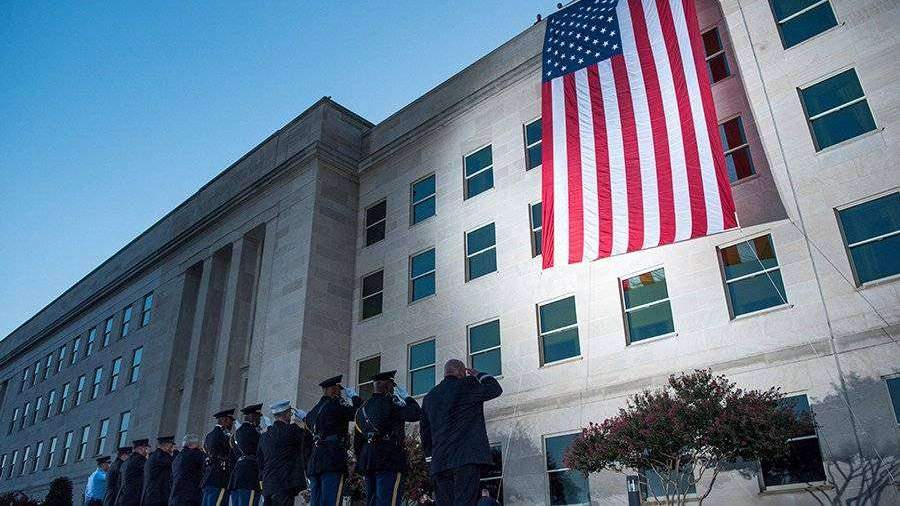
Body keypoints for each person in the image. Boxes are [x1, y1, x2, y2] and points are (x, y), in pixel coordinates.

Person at [420, 360, 502, 506]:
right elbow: (495, 389)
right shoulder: (468, 384)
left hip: (439, 463)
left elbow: (425, 434)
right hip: (465, 459)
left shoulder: (429, 397)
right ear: (461, 372)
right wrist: (479, 375)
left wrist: (430, 460)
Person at [353, 370, 422, 506]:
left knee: (372, 501)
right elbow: (416, 414)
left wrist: (363, 460)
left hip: (368, 461)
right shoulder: (391, 403)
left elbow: (357, 442)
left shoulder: (361, 410)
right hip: (389, 459)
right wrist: (408, 398)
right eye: (392, 385)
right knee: (388, 501)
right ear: (388, 385)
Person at [304, 374, 362, 506]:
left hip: (314, 462)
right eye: (339, 390)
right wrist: (354, 397)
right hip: (332, 458)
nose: (340, 393)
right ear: (334, 389)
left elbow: (305, 443)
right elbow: (359, 414)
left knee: (316, 503)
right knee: (332, 501)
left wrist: (307, 465)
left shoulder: (312, 412)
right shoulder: (337, 404)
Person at [258, 400, 311, 505]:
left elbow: (260, 461)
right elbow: (309, 439)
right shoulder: (292, 430)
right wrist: (306, 419)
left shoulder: (264, 436)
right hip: (285, 484)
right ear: (286, 414)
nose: (291, 416)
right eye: (290, 414)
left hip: (268, 485)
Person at [229, 404, 263, 506]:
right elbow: (261, 453)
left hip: (237, 476)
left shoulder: (235, 434)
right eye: (258, 417)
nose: (259, 421)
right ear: (252, 417)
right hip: (250, 476)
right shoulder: (255, 434)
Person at [201, 408, 235, 506]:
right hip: (219, 478)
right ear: (224, 420)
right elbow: (227, 454)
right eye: (230, 421)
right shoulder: (222, 436)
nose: (231, 424)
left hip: (209, 476)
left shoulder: (209, 435)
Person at [170, 434, 206, 506]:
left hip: (176, 498)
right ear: (193, 444)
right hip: (190, 498)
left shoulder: (177, 458)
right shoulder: (195, 453)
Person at [116, 438, 151, 506]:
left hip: (123, 497)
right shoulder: (140, 460)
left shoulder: (126, 462)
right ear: (140, 448)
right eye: (146, 448)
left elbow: (119, 482)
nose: (147, 451)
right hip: (133, 498)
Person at [142, 436, 176, 505]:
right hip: (158, 497)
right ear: (166, 445)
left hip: (152, 495)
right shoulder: (161, 456)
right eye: (171, 445)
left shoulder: (154, 455)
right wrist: (175, 452)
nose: (172, 448)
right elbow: (176, 463)